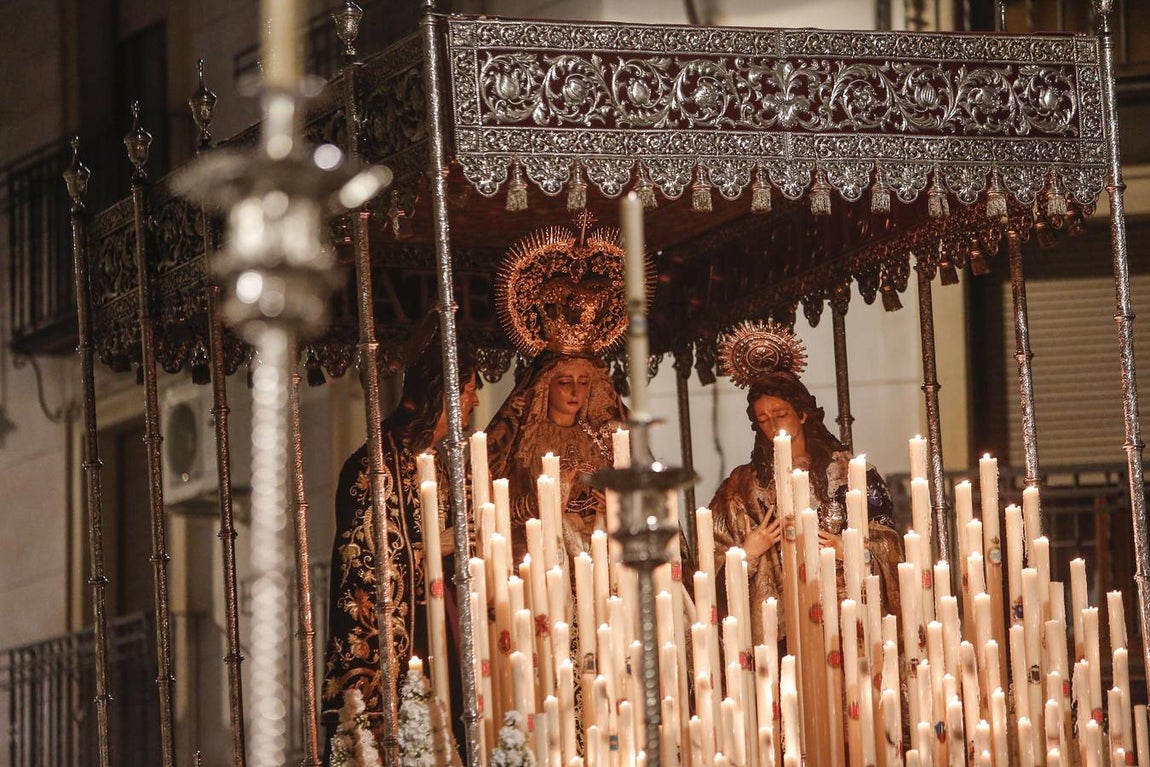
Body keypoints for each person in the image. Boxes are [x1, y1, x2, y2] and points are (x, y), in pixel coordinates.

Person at [320, 333, 480, 757]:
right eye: (467, 389)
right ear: (440, 392)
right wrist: (431, 548)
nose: (476, 401)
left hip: (441, 626)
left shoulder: (437, 462)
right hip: (400, 642)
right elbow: (363, 562)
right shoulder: (373, 467)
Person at [704, 321, 903, 646]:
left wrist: (848, 550)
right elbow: (710, 555)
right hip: (781, 622)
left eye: (780, 413)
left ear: (803, 414)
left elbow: (889, 545)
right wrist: (748, 552)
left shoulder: (850, 474)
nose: (772, 425)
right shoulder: (742, 487)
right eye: (763, 419)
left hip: (845, 614)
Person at [485, 352, 627, 561]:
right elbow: (497, 511)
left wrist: (616, 506)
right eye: (564, 382)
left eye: (584, 382)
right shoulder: (525, 441)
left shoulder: (601, 439)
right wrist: (543, 502)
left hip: (598, 555)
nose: (575, 391)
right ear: (545, 385)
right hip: (541, 555)